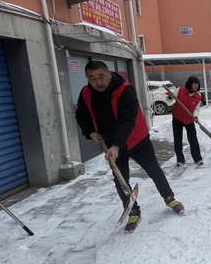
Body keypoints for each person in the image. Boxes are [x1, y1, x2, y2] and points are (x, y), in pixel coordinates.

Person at [75, 61, 184, 234]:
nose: (98, 82)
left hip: (136, 140)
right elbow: (82, 114)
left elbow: (127, 119)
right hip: (111, 145)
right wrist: (90, 132)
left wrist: (117, 144)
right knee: (121, 180)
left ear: (109, 74)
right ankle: (133, 210)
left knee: (154, 170)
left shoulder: (125, 89)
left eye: (101, 77)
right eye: (92, 78)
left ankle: (169, 197)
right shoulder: (86, 92)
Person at [171, 76, 203, 167]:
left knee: (193, 139)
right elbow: (171, 99)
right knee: (178, 139)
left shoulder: (198, 96)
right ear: (190, 83)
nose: (196, 86)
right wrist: (170, 96)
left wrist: (195, 116)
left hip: (189, 119)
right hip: (177, 118)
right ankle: (180, 159)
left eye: (198, 84)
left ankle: (197, 158)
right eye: (195, 84)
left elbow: (196, 109)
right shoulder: (180, 90)